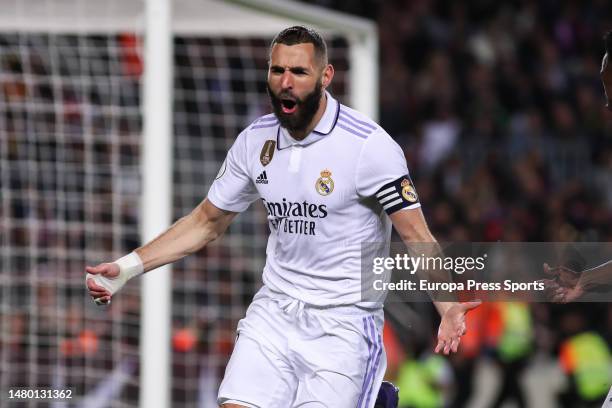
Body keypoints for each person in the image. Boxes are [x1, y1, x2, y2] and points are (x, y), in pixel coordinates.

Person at [85, 26, 479, 408]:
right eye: (278, 70)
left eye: (299, 72)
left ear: (326, 75)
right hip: (275, 312)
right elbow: (206, 222)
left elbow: (415, 234)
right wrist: (128, 267)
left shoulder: (369, 147)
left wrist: (446, 305)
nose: (285, 82)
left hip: (342, 325)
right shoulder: (255, 141)